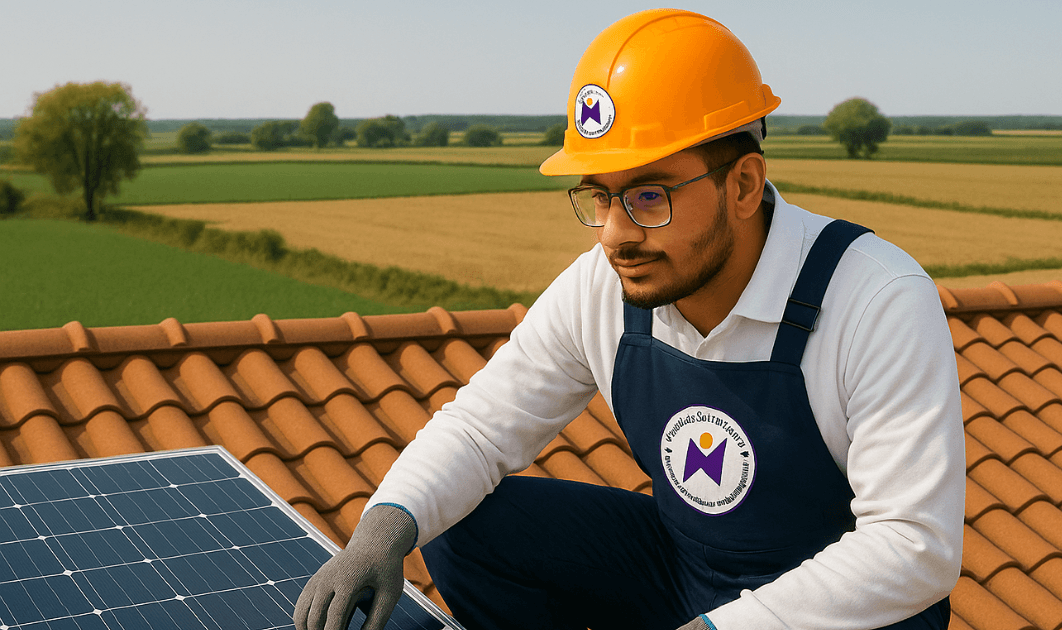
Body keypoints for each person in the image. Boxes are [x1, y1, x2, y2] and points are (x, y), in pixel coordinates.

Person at [294, 8, 964, 630]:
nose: (614, 235)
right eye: (599, 196)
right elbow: (480, 429)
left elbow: (913, 546)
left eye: (649, 196)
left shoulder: (875, 297)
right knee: (458, 522)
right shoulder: (605, 285)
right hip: (687, 573)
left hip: (850, 612)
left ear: (744, 185)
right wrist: (382, 529)